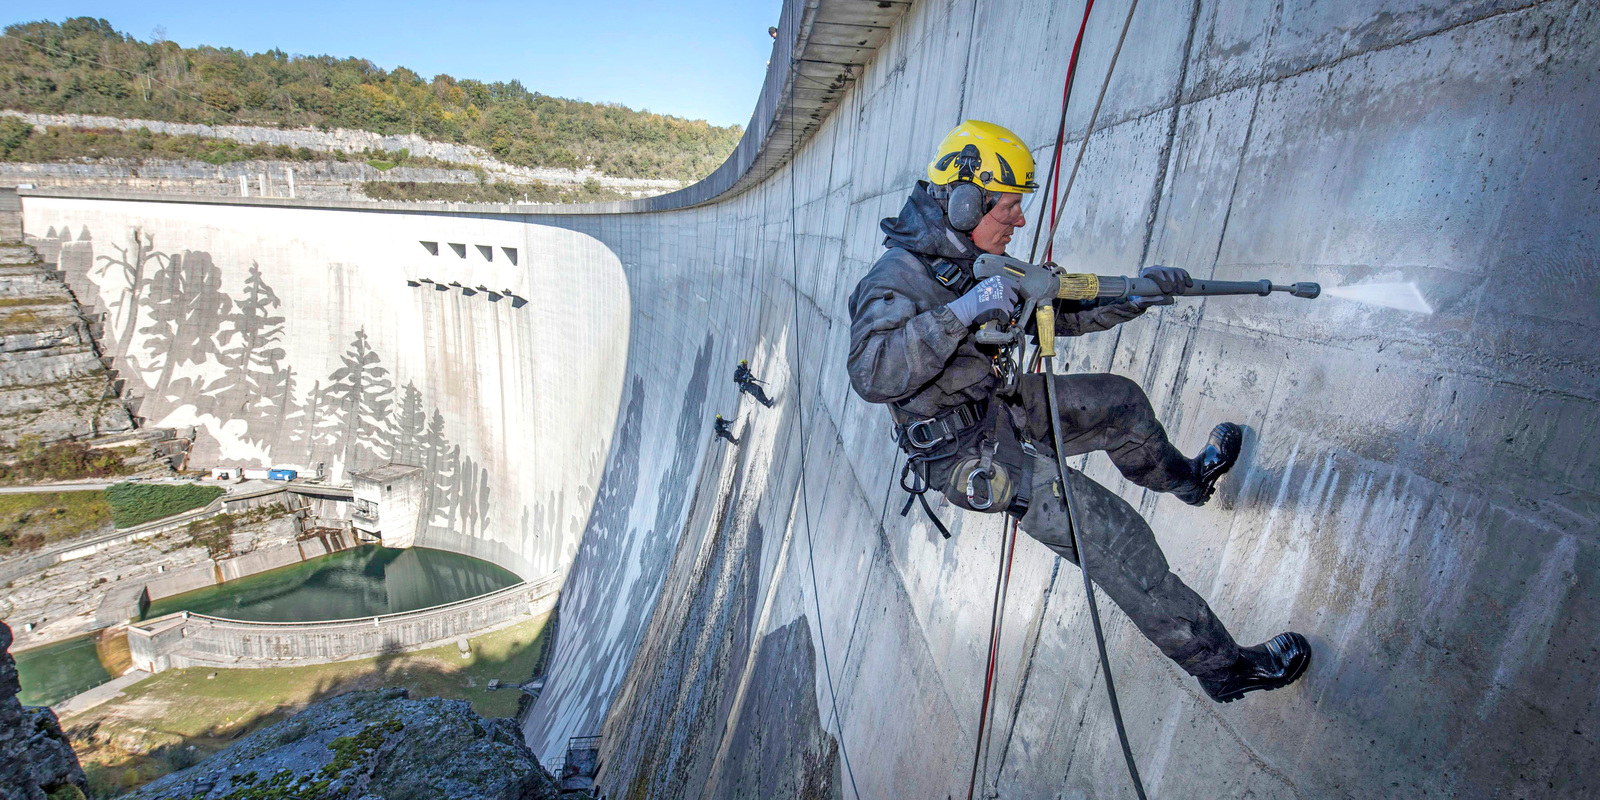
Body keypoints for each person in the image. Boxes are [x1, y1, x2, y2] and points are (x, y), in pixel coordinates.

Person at [845, 120, 1310, 703]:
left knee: (1122, 406)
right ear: (965, 203)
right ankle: (1224, 668)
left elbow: (1057, 310)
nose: (1019, 220)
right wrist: (958, 314)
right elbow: (871, 371)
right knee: (1116, 539)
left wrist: (1135, 294)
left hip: (996, 405)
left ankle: (1188, 480)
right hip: (969, 453)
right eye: (1009, 207)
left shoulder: (978, 257)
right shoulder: (897, 280)